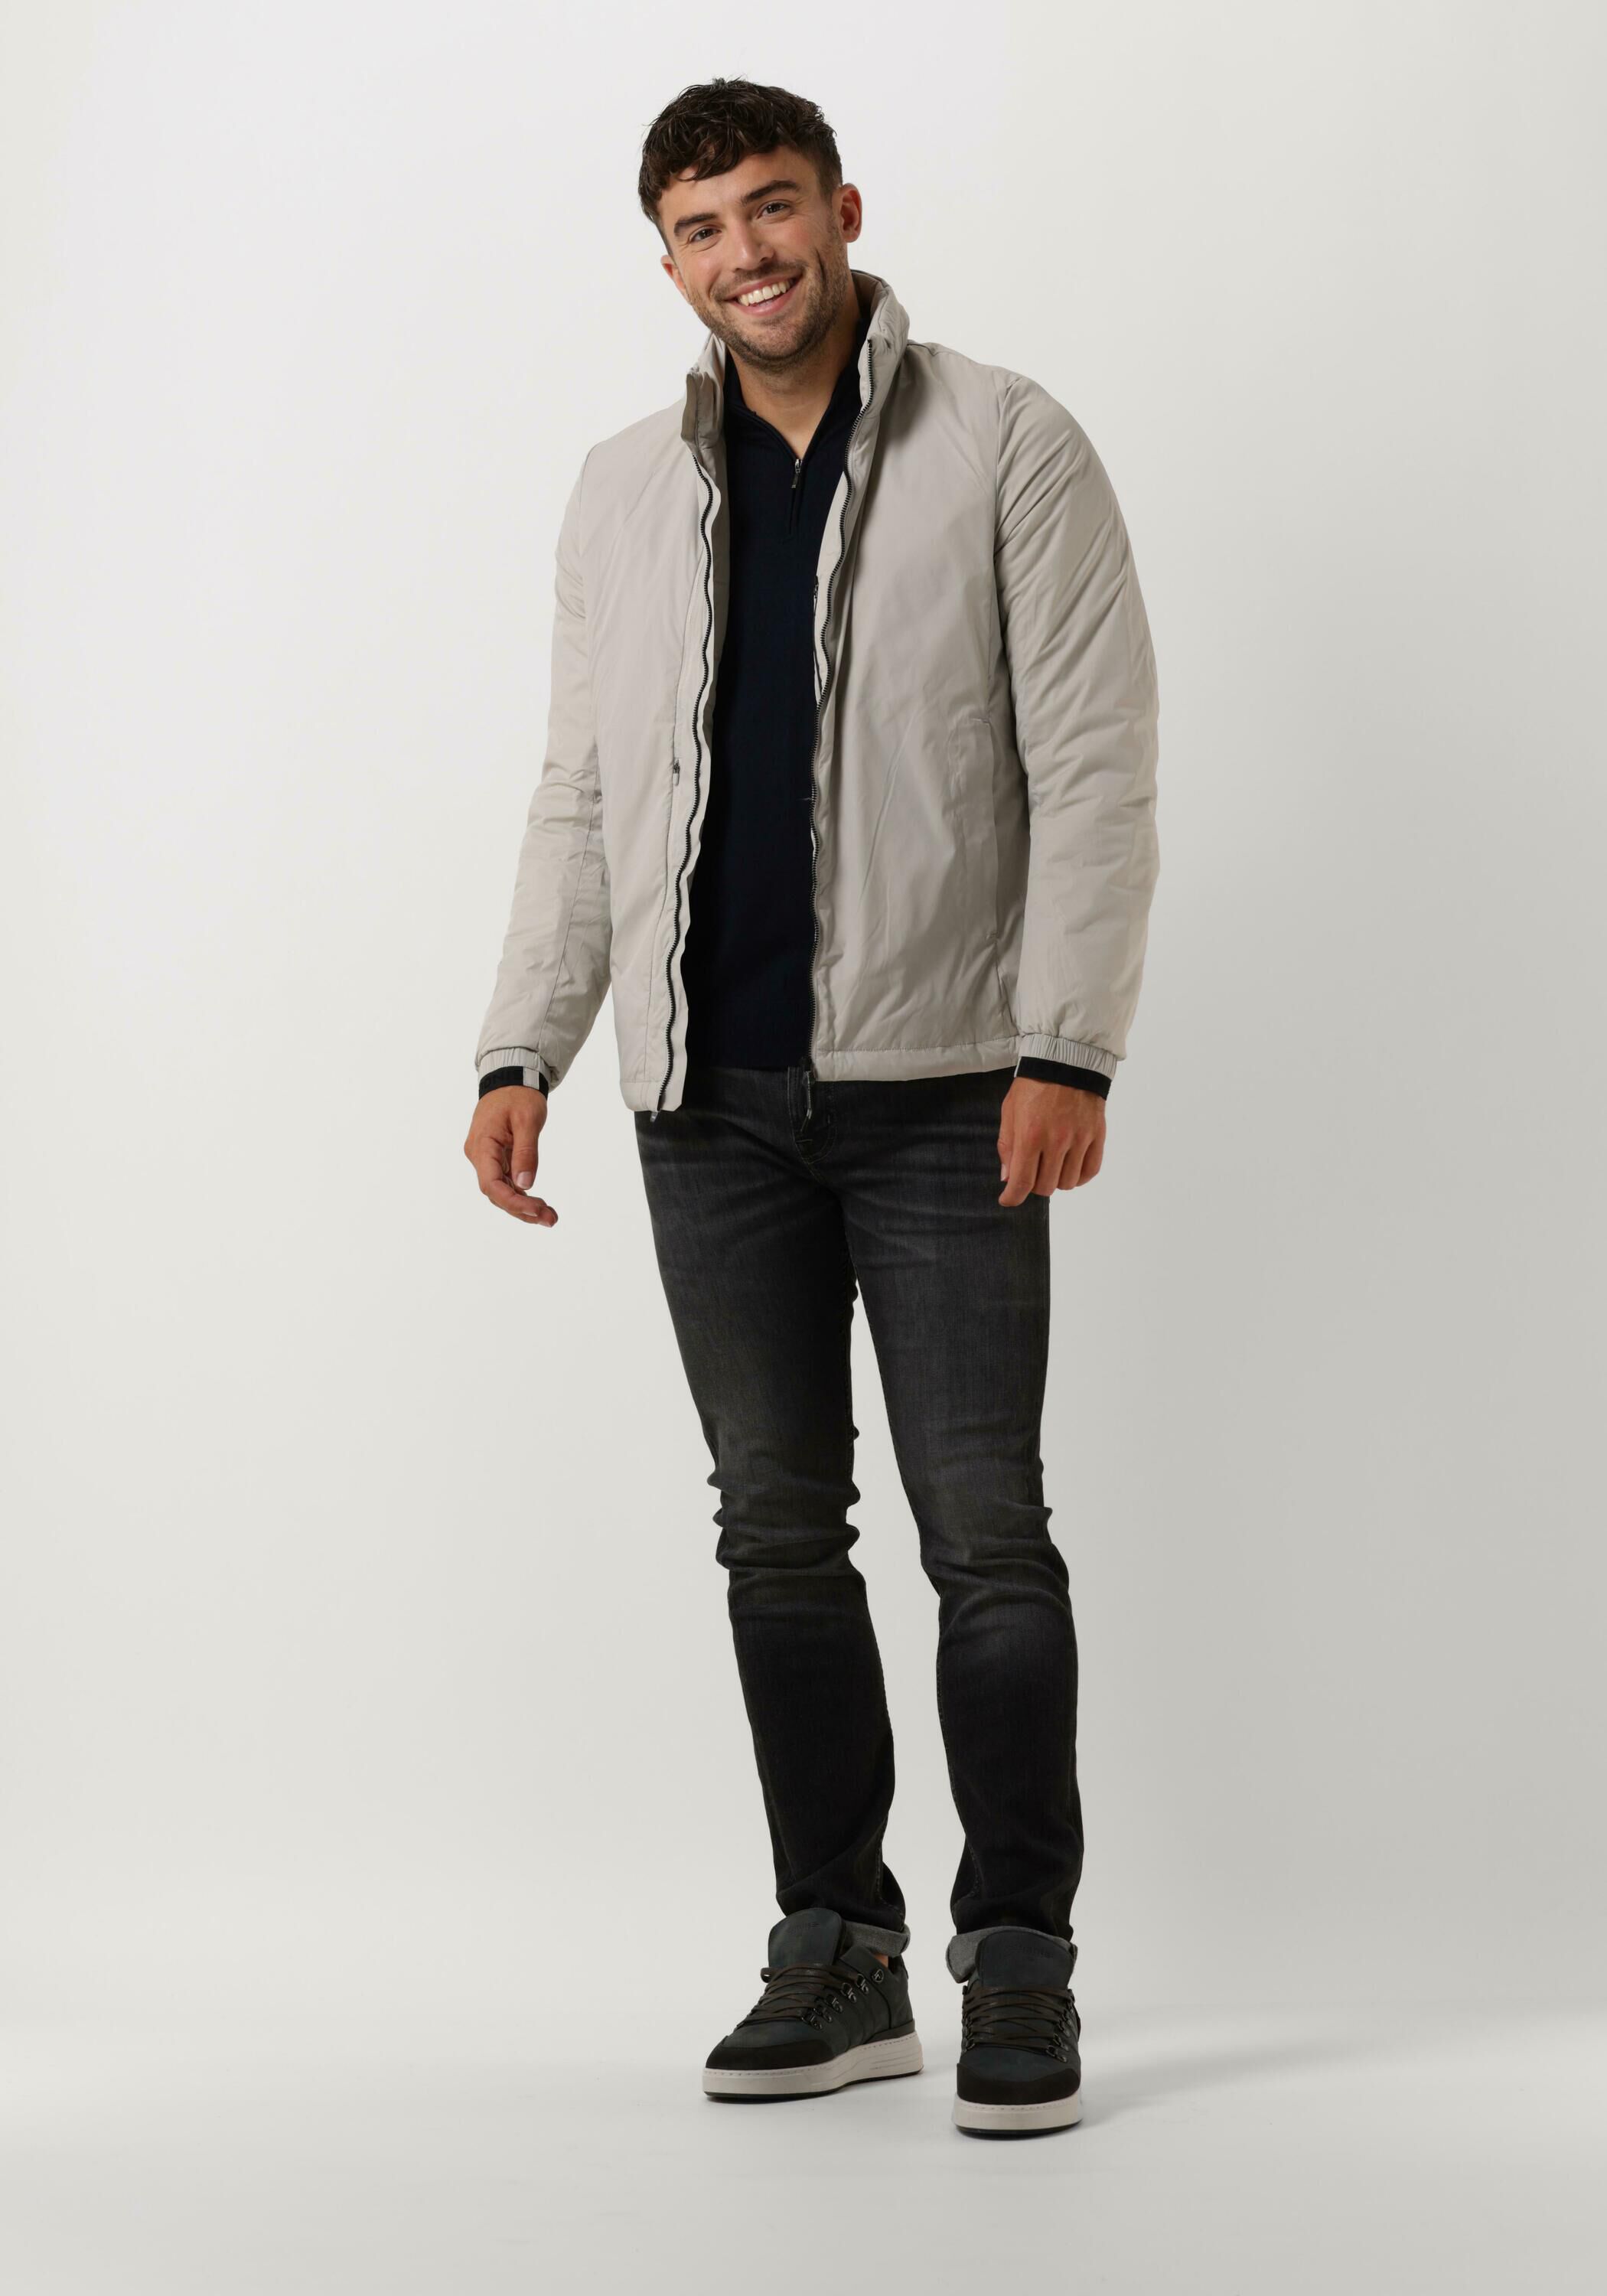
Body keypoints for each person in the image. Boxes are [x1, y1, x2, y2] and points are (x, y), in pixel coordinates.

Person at [463, 76, 1160, 2138]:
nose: (744, 254)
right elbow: (583, 793)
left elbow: (1096, 760)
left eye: (771, 208)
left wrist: (1067, 1044)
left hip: (952, 1089)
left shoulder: (1007, 439)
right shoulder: (620, 491)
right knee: (774, 1533)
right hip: (707, 1101)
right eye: (700, 228)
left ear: (843, 210)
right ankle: (837, 1949)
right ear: (668, 259)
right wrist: (523, 1043)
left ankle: (1017, 1963)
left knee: (986, 1536)